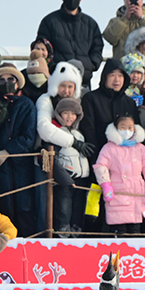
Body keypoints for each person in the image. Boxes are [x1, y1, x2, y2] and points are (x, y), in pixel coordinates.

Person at [93, 108, 145, 236]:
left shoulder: (140, 148)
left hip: (137, 195)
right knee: (120, 231)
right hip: (118, 195)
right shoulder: (109, 148)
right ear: (116, 128)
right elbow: (101, 166)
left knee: (135, 231)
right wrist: (105, 185)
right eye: (123, 127)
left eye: (130, 127)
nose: (127, 131)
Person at [0, 68, 39, 236]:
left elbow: (29, 137)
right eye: (2, 80)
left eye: (10, 79)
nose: (7, 83)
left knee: (24, 208)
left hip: (21, 165)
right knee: (3, 208)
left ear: (18, 82)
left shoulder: (27, 104)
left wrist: (8, 150)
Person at [37, 0, 103, 87]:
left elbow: (98, 47)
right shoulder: (49, 21)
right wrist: (53, 67)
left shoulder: (90, 23)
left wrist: (91, 65)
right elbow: (42, 46)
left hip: (83, 79)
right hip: (58, 78)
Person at [45, 98, 92, 236]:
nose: (70, 117)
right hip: (65, 181)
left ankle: (76, 237)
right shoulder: (56, 133)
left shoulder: (79, 134)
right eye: (66, 113)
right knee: (63, 212)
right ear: (59, 114)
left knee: (78, 211)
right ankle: (62, 237)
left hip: (82, 180)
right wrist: (64, 178)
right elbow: (52, 159)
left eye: (73, 114)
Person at [80, 58, 138, 160]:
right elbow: (88, 131)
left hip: (126, 160)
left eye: (120, 75)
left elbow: (136, 131)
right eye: (112, 75)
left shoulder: (129, 102)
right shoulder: (91, 98)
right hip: (100, 157)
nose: (117, 79)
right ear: (104, 77)